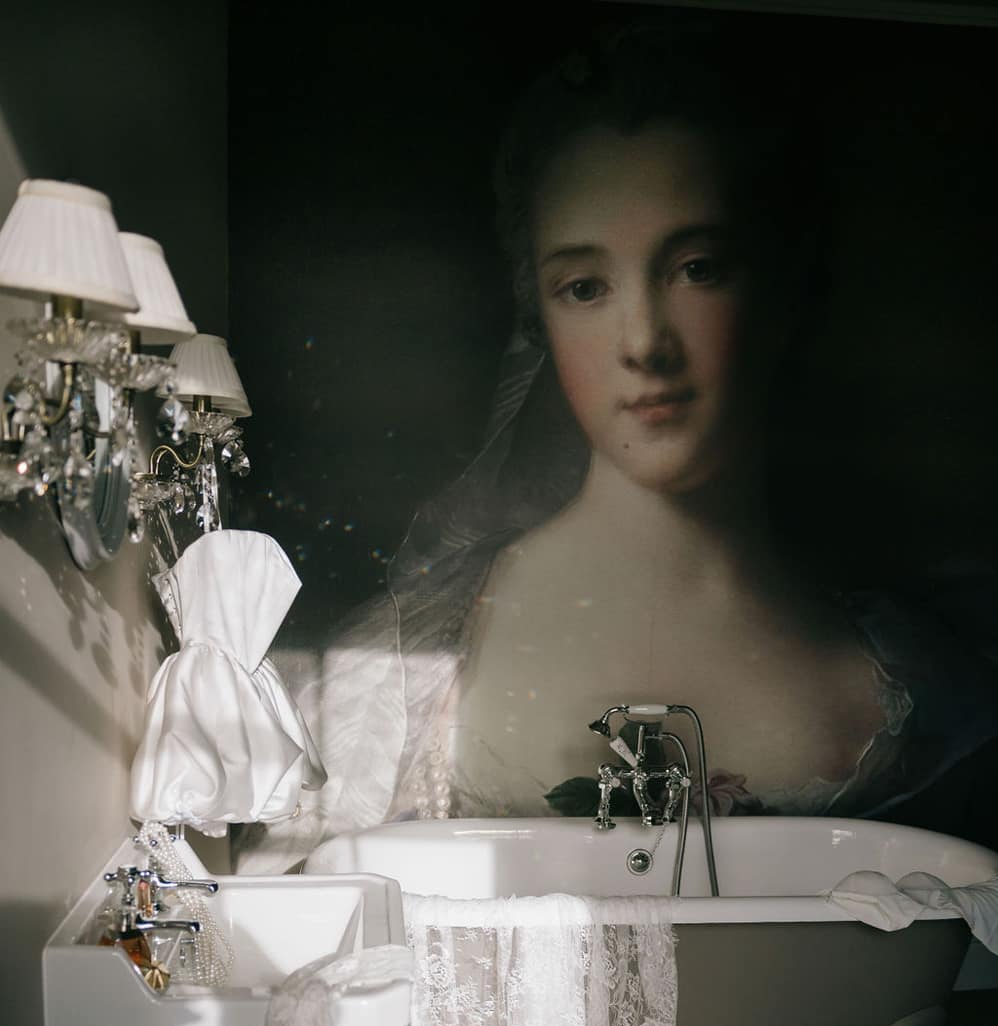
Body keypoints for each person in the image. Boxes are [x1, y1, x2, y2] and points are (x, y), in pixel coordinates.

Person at [235, 20, 998, 875]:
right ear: (538, 313)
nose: (644, 342)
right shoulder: (404, 669)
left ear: (786, 285)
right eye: (585, 287)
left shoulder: (923, 680)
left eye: (698, 267)